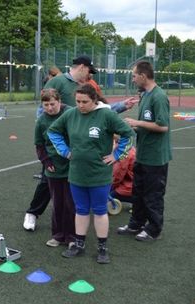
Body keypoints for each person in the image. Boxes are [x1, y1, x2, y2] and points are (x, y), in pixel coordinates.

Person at [23, 55, 138, 231]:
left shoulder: (82, 88)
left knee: (71, 186)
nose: (89, 76)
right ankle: (32, 213)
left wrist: (122, 105)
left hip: (77, 147)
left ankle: (71, 228)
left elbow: (98, 110)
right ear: (82, 67)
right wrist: (49, 142)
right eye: (89, 72)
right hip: (57, 146)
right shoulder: (59, 82)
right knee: (48, 180)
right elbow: (43, 111)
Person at [48, 84, 134, 264]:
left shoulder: (106, 115)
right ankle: (79, 245)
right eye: (77, 101)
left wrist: (117, 155)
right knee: (80, 210)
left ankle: (102, 248)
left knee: (100, 211)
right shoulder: (70, 114)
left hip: (99, 175)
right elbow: (53, 131)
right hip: (77, 174)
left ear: (94, 100)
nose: (80, 105)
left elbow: (128, 133)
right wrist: (64, 151)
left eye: (84, 102)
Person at [117, 61, 172, 242]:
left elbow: (162, 126)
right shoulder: (145, 95)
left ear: (143, 75)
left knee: (153, 195)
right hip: (143, 154)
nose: (132, 79)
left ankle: (154, 229)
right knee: (138, 192)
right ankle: (136, 224)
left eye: (134, 75)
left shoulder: (158, 96)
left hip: (155, 157)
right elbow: (147, 126)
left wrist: (136, 123)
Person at [34, 89, 75, 247]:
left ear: (59, 101)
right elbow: (39, 145)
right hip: (53, 169)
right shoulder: (42, 121)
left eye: (53, 104)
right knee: (57, 202)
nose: (50, 108)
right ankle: (58, 235)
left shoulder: (71, 113)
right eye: (46, 105)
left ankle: (72, 237)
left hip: (73, 166)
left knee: (71, 203)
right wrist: (46, 162)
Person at [110, 135, 136, 204]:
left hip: (131, 185)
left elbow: (118, 176)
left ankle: (138, 201)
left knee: (108, 194)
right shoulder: (129, 147)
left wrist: (110, 187)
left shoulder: (124, 154)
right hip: (131, 181)